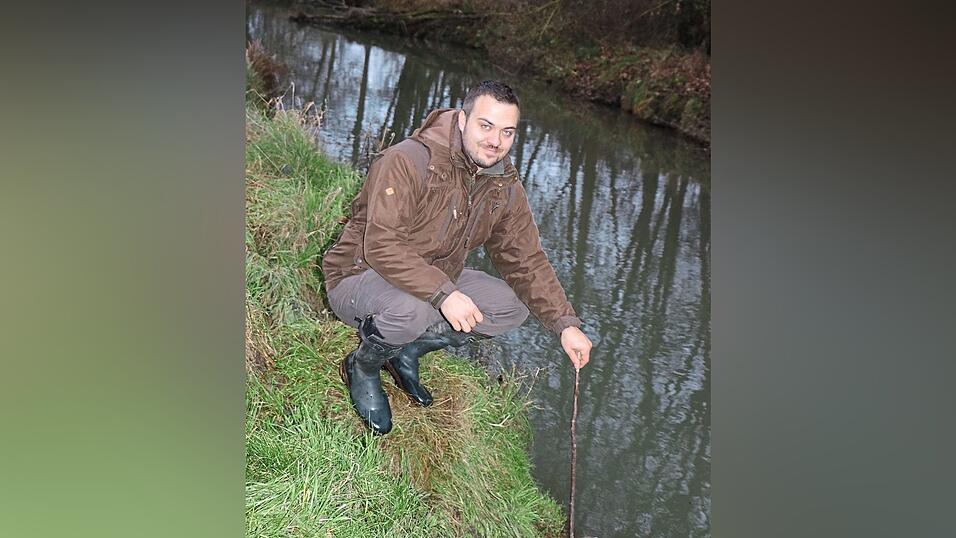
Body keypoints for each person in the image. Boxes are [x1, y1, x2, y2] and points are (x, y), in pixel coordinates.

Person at [322, 80, 593, 434]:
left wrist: (565, 325)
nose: (496, 141)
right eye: (486, 125)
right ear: (463, 120)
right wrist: (445, 294)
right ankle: (363, 367)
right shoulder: (407, 159)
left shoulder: (502, 183)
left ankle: (407, 351)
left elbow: (525, 258)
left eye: (507, 131)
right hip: (359, 275)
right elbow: (382, 246)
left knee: (510, 307)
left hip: (432, 277)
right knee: (414, 308)